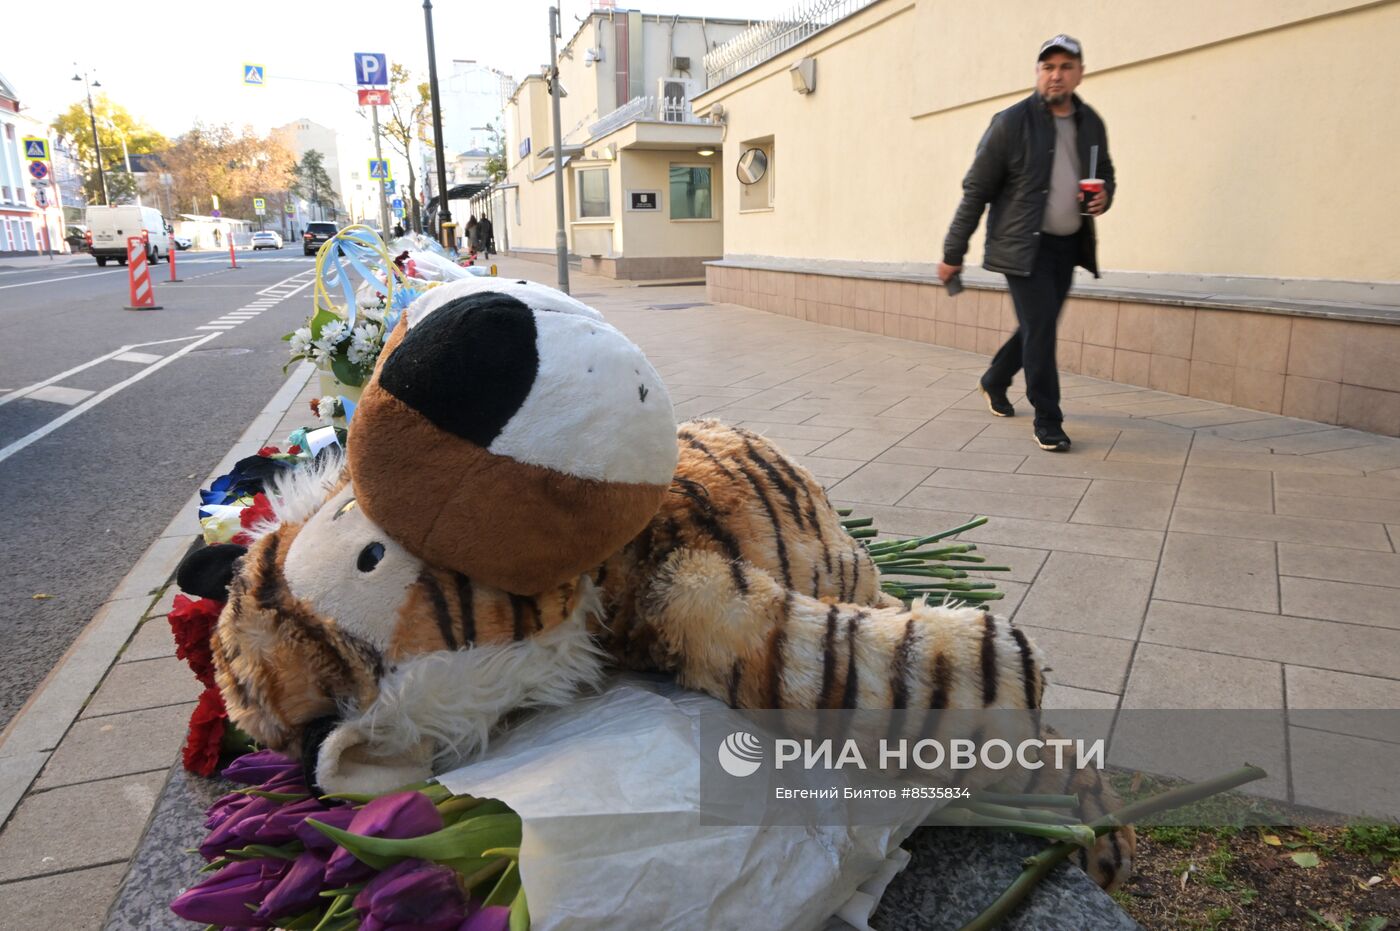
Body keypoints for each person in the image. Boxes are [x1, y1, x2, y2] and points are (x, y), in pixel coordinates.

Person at [938, 34, 1115, 453]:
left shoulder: (1090, 122)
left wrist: (1105, 195)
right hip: (1023, 248)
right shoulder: (1011, 122)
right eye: (1048, 67)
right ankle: (1048, 419)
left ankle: (995, 380)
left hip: (1068, 246)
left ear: (1079, 73)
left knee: (1038, 326)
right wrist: (952, 254)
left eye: (1066, 67)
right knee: (1041, 331)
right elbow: (976, 191)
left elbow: (1105, 172)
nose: (1057, 75)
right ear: (1038, 72)